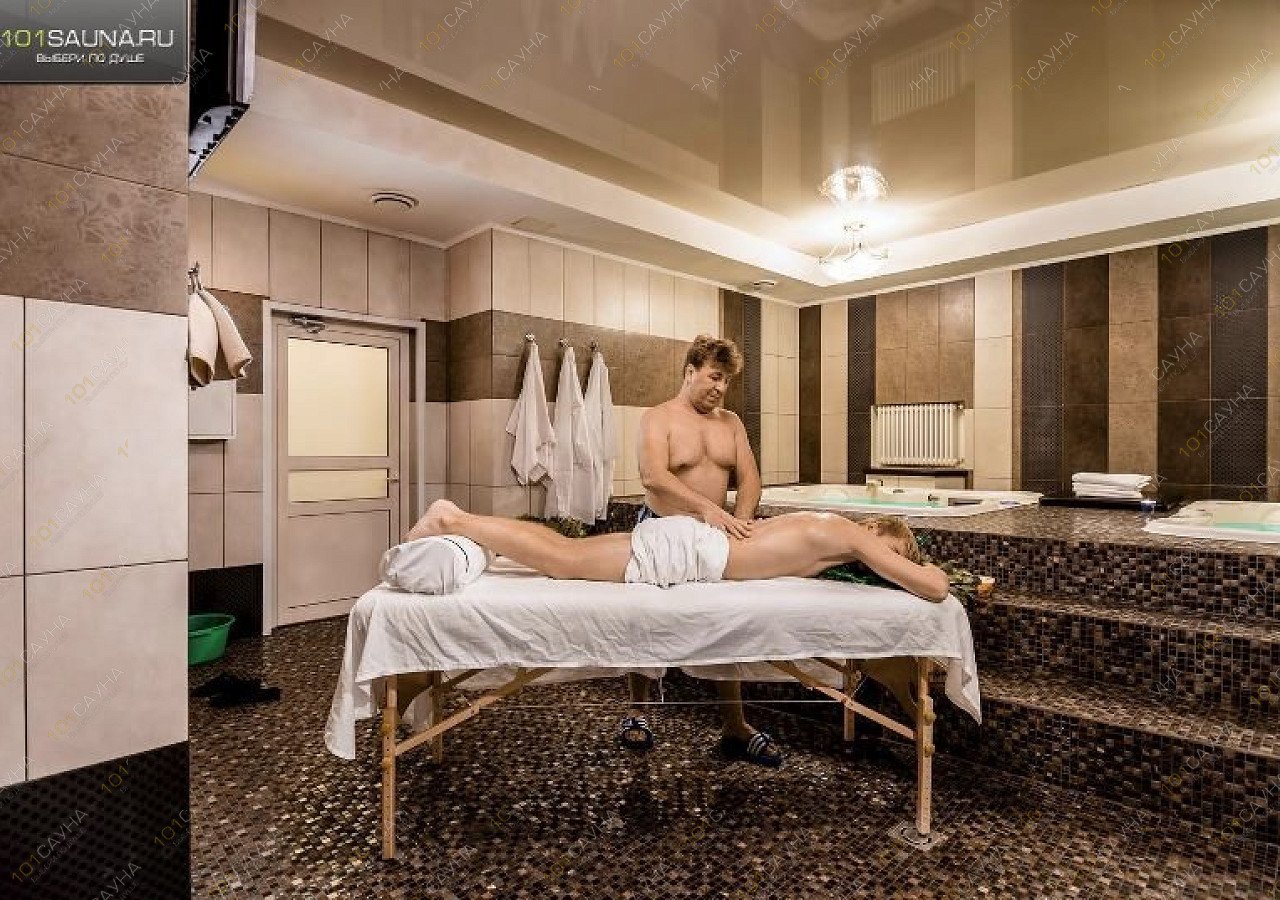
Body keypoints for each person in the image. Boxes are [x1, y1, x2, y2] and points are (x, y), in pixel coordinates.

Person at [406, 500, 951, 752]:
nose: (882, 563)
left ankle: (463, 524)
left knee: (566, 551)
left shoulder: (821, 523)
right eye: (889, 551)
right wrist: (924, 569)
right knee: (564, 560)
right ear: (877, 529)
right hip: (690, 554)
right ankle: (454, 519)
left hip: (691, 544)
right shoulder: (851, 534)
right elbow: (933, 588)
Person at [633, 335, 766, 762]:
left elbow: (750, 478)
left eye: (726, 380)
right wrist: (709, 509)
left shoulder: (731, 423)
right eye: (714, 377)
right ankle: (637, 714)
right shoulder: (658, 418)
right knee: (645, 620)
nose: (721, 387)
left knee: (724, 621)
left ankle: (734, 725)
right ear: (690, 372)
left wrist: (740, 523)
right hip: (661, 533)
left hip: (713, 541)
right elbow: (653, 476)